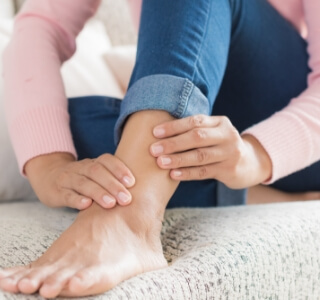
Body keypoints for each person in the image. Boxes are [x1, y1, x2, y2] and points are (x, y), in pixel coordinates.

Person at [1, 0, 320, 297]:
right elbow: (42, 24)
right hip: (191, 117)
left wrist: (256, 156)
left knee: (112, 147)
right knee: (66, 129)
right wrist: (48, 165)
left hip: (291, 136)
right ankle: (236, 191)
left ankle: (130, 219)